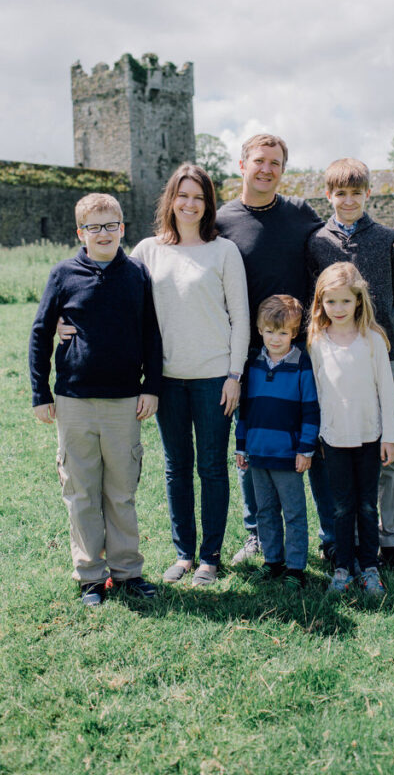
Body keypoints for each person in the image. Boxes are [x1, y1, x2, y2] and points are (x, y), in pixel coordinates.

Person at [215, 133, 394, 565]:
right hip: (252, 352)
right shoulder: (222, 220)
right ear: (242, 164)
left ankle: (330, 535)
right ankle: (258, 535)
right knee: (257, 444)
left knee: (320, 440)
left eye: (276, 163)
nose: (267, 169)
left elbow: (344, 228)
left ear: (283, 170)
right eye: (259, 161)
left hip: (310, 347)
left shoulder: (300, 213)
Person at [29, 193, 162, 606]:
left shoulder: (137, 274)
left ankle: (127, 572)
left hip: (125, 400)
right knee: (82, 490)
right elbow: (40, 333)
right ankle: (89, 575)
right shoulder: (63, 274)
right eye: (94, 227)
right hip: (74, 400)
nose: (103, 234)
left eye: (111, 225)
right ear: (80, 233)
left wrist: (151, 385)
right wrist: (41, 393)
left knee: (121, 491)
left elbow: (151, 334)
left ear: (122, 228)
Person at [130, 163, 250, 586]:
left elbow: (241, 317)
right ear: (170, 200)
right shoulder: (147, 251)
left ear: (208, 204)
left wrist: (235, 374)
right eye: (183, 195)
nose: (190, 203)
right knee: (176, 466)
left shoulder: (223, 251)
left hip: (215, 377)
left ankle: (210, 558)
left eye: (198, 197)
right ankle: (183, 554)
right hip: (166, 379)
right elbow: (118, 298)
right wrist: (68, 315)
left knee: (212, 468)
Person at [306, 158, 394, 572]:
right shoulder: (317, 241)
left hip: (387, 356)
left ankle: (390, 540)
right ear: (329, 195)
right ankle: (347, 539)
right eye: (340, 193)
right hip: (339, 357)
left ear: (368, 193)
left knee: (390, 452)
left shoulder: (389, 238)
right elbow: (315, 298)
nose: (348, 200)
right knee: (339, 446)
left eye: (356, 192)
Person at [308, 263, 394, 597]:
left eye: (346, 301)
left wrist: (389, 436)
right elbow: (315, 393)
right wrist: (315, 434)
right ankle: (343, 568)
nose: (339, 309)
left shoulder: (372, 340)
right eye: (331, 302)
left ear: (358, 301)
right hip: (333, 437)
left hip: (369, 436)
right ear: (321, 304)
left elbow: (386, 391)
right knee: (342, 507)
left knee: (366, 506)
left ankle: (370, 568)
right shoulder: (317, 341)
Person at [235, 295, 320, 589]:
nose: (275, 338)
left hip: (288, 455)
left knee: (294, 512)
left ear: (294, 333)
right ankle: (273, 561)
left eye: (283, 333)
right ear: (260, 329)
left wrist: (305, 448)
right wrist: (241, 445)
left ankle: (296, 568)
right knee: (265, 511)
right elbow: (244, 409)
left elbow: (310, 407)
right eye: (270, 331)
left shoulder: (301, 364)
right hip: (258, 455)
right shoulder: (253, 365)